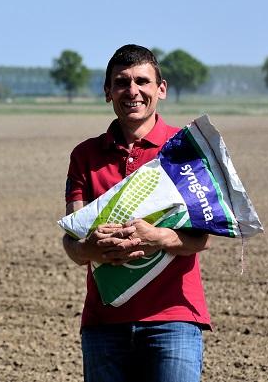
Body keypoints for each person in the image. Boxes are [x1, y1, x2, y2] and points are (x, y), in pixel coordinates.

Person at [63, 44, 211, 382]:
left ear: (161, 89)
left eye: (142, 81)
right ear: (107, 92)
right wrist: (91, 248)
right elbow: (72, 242)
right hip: (103, 325)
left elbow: (200, 238)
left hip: (173, 319)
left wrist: (155, 237)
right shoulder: (84, 155)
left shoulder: (184, 148)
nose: (132, 91)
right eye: (121, 82)